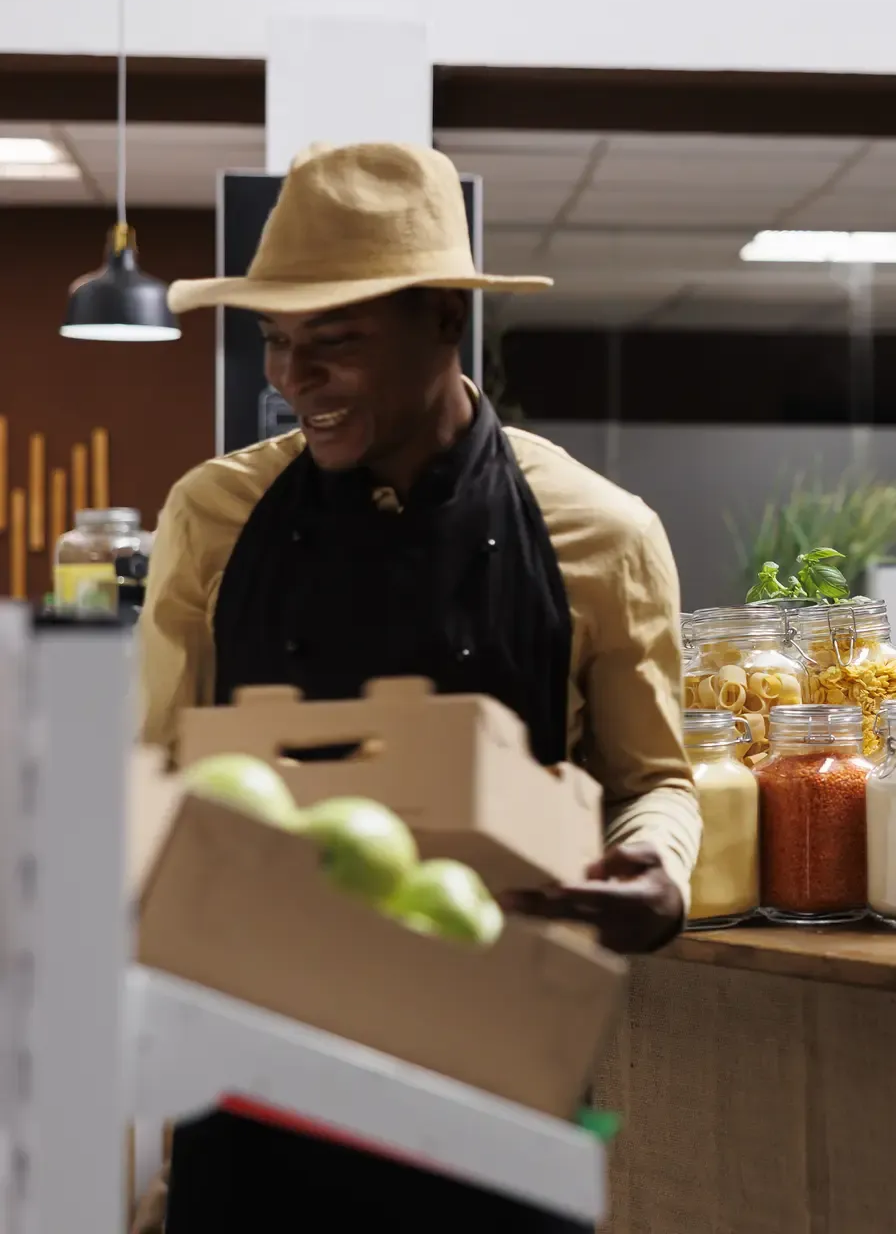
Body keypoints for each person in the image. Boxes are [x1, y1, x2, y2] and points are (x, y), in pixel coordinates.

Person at [136, 142, 698, 1232]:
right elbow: (157, 775)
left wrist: (661, 874)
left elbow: (654, 779)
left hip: (495, 1081)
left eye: (333, 344)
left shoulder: (602, 531)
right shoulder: (210, 517)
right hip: (257, 1077)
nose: (292, 379)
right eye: (275, 342)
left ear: (446, 320)